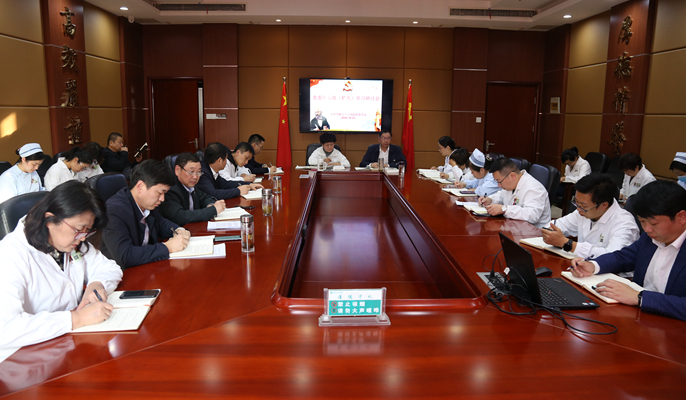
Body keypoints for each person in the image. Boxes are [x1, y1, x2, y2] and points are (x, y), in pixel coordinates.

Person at [0, 181, 123, 353]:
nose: (83, 238)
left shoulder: (71, 242)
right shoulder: (10, 255)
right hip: (28, 355)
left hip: (70, 344)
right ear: (49, 220)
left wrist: (97, 283)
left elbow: (110, 268)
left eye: (87, 230)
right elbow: (5, 328)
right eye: (79, 229)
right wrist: (75, 319)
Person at [570, 181, 686, 321]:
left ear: (681, 217)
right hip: (638, 317)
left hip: (673, 326)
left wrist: (639, 297)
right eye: (642, 221)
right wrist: (593, 266)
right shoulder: (650, 237)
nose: (647, 229)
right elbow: (624, 257)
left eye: (654, 223)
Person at [101, 159, 190, 270]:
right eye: (160, 193)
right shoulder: (113, 211)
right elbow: (124, 256)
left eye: (164, 193)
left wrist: (179, 230)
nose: (162, 199)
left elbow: (161, 223)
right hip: (123, 274)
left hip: (146, 267)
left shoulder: (147, 203)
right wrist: (167, 247)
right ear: (140, 186)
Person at [541, 174, 640, 259]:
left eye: (583, 206)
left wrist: (569, 244)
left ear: (604, 205)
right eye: (576, 202)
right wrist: (549, 231)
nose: (578, 209)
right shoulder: (583, 211)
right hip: (582, 267)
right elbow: (559, 224)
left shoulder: (624, 223)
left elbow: (613, 258)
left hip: (611, 274)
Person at [480, 157, 551, 229]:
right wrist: (491, 199)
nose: (499, 185)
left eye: (499, 181)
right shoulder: (511, 184)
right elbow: (501, 195)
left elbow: (532, 216)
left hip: (533, 232)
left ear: (512, 176)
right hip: (513, 227)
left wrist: (504, 209)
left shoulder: (533, 188)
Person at [158, 153, 226, 226]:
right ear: (177, 170)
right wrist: (212, 211)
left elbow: (205, 197)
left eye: (198, 172)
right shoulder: (170, 189)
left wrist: (210, 205)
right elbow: (181, 217)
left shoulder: (191, 185)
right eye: (191, 172)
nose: (195, 177)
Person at [197, 143, 262, 200]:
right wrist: (238, 191)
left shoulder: (212, 170)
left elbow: (225, 184)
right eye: (225, 159)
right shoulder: (202, 172)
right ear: (219, 160)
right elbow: (213, 193)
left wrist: (249, 185)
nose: (226, 162)